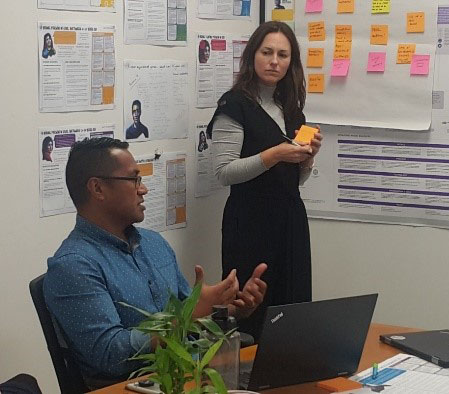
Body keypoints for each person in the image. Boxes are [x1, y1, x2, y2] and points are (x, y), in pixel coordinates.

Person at [43, 137, 268, 388]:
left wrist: (230, 308)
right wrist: (190, 315)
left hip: (190, 373)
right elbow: (109, 354)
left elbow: (190, 311)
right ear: (97, 189)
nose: (143, 189)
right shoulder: (73, 266)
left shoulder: (153, 243)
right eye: (133, 179)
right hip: (137, 384)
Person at [207, 21, 322, 339]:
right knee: (252, 313)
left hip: (289, 221)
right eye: (267, 52)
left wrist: (307, 157)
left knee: (292, 309)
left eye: (283, 55)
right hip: (250, 223)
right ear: (252, 57)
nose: (275, 61)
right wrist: (274, 154)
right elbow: (223, 172)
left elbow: (295, 180)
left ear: (291, 62)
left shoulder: (292, 110)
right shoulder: (234, 105)